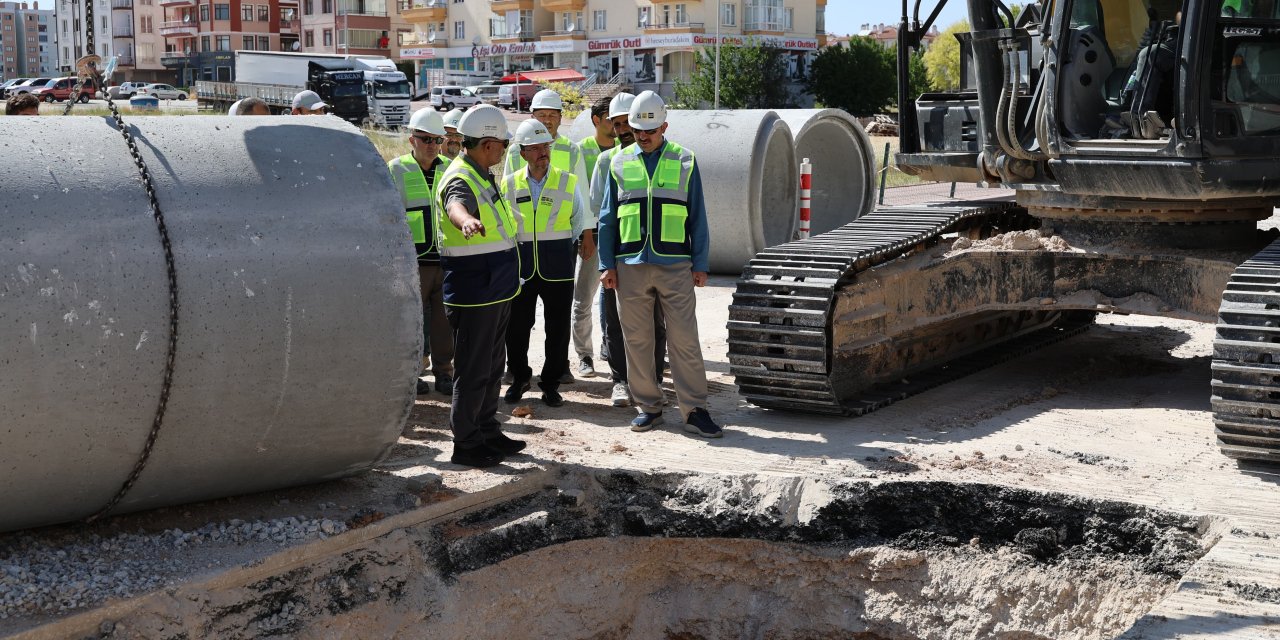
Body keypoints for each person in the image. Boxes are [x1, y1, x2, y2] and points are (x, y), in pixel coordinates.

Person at [598, 91, 721, 438]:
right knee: (637, 340)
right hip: (630, 266)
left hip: (675, 265)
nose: (642, 136)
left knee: (684, 339)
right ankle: (648, 407)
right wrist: (606, 264)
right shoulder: (618, 162)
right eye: (637, 130)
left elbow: (698, 216)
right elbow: (607, 218)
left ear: (664, 126)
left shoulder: (685, 160)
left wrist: (700, 263)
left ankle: (695, 409)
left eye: (649, 131)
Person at [435, 104, 523, 467]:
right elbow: (455, 204)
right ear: (487, 144)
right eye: (502, 142)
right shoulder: (460, 177)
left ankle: (486, 429)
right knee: (473, 369)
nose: (504, 149)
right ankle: (466, 443)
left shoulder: (482, 172)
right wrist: (466, 220)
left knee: (491, 363)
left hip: (496, 287)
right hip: (475, 292)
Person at [503, 88, 593, 382]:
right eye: (542, 115)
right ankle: (517, 372)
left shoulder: (570, 149)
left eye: (552, 116)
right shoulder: (519, 147)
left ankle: (557, 369)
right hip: (522, 249)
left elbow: (580, 198)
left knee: (557, 317)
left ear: (559, 118)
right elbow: (506, 191)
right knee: (519, 318)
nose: (547, 121)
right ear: (533, 117)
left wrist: (582, 235)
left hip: (558, 245)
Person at [590, 92, 667, 408]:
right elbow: (599, 209)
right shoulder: (607, 161)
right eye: (618, 123)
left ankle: (654, 379)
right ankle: (621, 380)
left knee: (655, 321)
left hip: (654, 254)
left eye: (627, 123)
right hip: (621, 254)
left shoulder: (662, 157)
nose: (623, 129)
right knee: (615, 320)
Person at [390, 108, 454, 397]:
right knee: (412, 323)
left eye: (436, 139)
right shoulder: (395, 169)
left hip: (444, 259)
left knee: (443, 322)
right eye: (425, 138)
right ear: (411, 139)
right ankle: (411, 374)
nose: (431, 145)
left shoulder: (449, 169)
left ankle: (444, 372)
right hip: (410, 262)